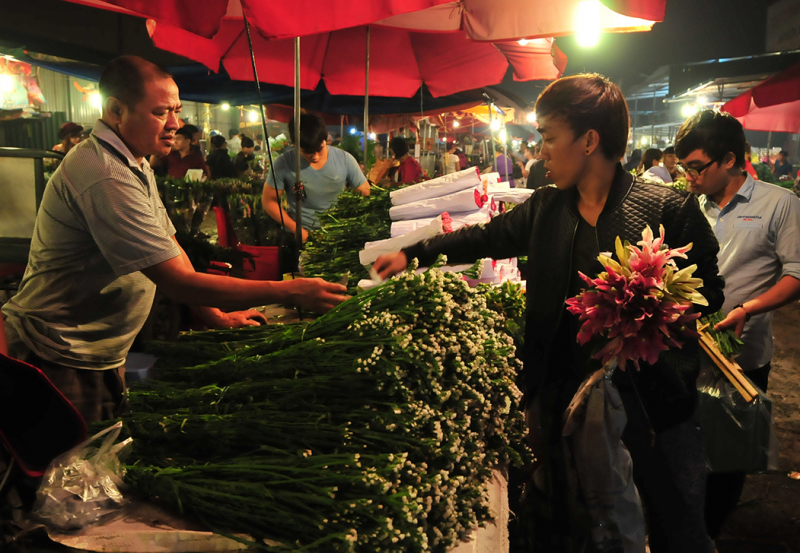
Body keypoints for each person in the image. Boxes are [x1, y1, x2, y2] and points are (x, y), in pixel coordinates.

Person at [375, 73, 723, 553]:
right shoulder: (546, 209)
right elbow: (484, 237)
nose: (541, 151)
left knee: (676, 529)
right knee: (581, 526)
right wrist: (413, 253)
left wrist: (653, 312)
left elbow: (708, 294)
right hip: (562, 405)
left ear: (589, 140)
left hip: (653, 412)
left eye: (548, 138)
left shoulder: (669, 208)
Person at [1, 56, 347, 423]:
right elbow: (178, 282)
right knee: (68, 471)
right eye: (161, 112)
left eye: (177, 111)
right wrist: (289, 291)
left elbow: (172, 248)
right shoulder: (104, 175)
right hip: (61, 357)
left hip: (97, 352)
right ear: (116, 110)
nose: (175, 125)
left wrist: (216, 316)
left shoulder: (133, 161)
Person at [675, 109, 800, 541]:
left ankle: (709, 534)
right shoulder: (689, 205)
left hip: (740, 357)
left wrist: (747, 308)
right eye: (684, 168)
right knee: (684, 447)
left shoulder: (779, 204)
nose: (688, 177)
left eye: (696, 167)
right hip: (687, 349)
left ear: (729, 160)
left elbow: (796, 275)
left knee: (727, 458)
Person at [262, 113, 370, 241]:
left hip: (336, 235)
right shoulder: (283, 163)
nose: (315, 157)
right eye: (307, 152)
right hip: (299, 236)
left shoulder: (345, 159)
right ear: (295, 144)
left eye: (320, 149)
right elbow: (269, 201)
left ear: (326, 140)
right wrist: (295, 228)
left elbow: (365, 192)